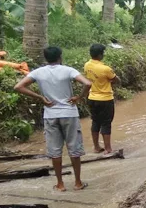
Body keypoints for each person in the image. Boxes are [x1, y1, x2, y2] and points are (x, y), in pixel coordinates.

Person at [14, 47, 92, 192]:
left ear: (45, 58)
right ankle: (77, 182)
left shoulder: (38, 72)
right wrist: (79, 98)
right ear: (60, 57)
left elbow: (18, 86)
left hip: (50, 115)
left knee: (55, 151)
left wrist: (40, 97)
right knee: (74, 148)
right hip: (69, 113)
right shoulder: (68, 70)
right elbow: (87, 84)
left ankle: (60, 184)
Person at [84, 44, 120, 154]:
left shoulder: (87, 65)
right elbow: (116, 79)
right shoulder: (105, 69)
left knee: (95, 122)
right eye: (103, 53)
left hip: (92, 97)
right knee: (106, 123)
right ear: (100, 55)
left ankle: (96, 147)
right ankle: (108, 148)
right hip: (105, 99)